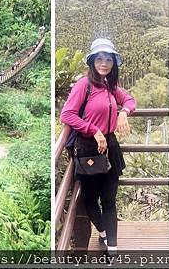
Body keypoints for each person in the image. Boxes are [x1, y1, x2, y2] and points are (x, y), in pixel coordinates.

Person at [60, 38, 136, 255]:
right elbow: (67, 115)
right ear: (92, 61)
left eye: (108, 59)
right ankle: (102, 231)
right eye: (100, 59)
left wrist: (123, 112)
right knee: (90, 198)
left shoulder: (109, 85)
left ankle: (112, 249)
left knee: (109, 200)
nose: (104, 63)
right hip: (88, 148)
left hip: (110, 146)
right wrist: (93, 130)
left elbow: (130, 100)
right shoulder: (84, 85)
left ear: (114, 62)